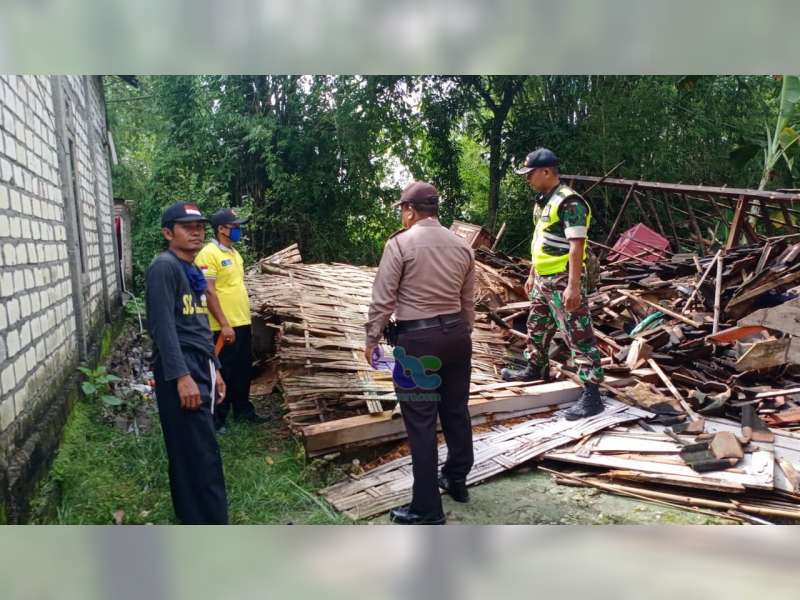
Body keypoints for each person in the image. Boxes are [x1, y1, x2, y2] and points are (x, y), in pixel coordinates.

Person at [365, 181, 476, 525]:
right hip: (457, 336)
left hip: (418, 343)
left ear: (410, 210)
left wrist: (371, 338)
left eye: (402, 209)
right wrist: (462, 333)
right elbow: (467, 301)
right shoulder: (462, 246)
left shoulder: (400, 244)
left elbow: (383, 298)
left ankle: (427, 508)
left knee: (422, 422)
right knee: (456, 410)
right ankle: (456, 479)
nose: (402, 214)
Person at [500, 148, 606, 420]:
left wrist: (572, 286)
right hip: (543, 279)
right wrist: (532, 273)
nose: (528, 179)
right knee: (537, 326)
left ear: (547, 171)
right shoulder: (544, 201)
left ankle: (592, 393)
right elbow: (541, 240)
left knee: (577, 333)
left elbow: (576, 247)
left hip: (562, 278)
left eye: (530, 173)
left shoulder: (569, 202)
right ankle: (535, 368)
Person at [145, 201, 228, 524]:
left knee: (199, 446)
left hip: (200, 362)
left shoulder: (191, 269)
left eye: (199, 227)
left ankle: (199, 517)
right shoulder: (163, 267)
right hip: (180, 366)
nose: (196, 232)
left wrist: (216, 369)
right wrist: (181, 376)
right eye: (187, 227)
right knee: (195, 450)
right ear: (168, 233)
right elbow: (163, 326)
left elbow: (199, 325)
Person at [195, 208, 265, 432]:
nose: (238, 230)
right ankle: (217, 419)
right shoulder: (209, 254)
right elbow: (209, 291)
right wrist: (224, 324)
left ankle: (243, 410)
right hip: (221, 325)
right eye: (235, 226)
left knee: (243, 368)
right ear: (221, 229)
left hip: (241, 322)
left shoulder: (234, 254)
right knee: (222, 371)